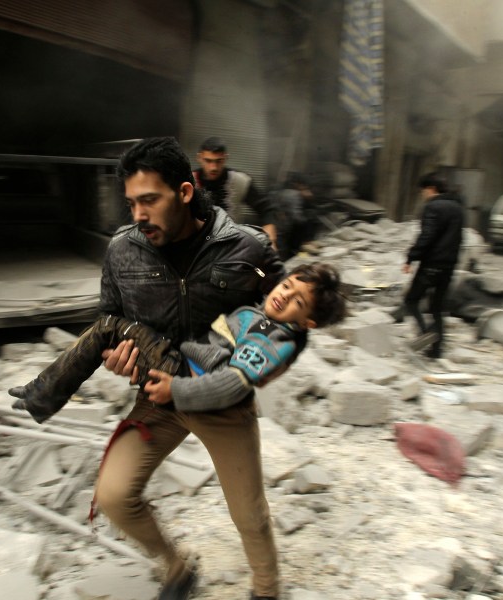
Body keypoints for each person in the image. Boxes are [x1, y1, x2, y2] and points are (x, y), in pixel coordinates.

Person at [82, 136, 284, 600]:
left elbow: (285, 313)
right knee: (113, 496)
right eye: (132, 203)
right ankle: (178, 569)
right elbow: (109, 321)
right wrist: (116, 355)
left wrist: (263, 359)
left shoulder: (247, 248)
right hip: (157, 396)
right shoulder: (122, 250)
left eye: (149, 200)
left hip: (218, 397)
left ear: (186, 192)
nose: (138, 214)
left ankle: (268, 590)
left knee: (249, 514)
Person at [8, 262, 347, 423]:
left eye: (298, 302)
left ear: (307, 323)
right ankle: (41, 391)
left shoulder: (275, 340)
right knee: (108, 332)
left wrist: (178, 391)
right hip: (178, 358)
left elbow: (233, 383)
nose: (284, 296)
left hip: (181, 373)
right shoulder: (258, 313)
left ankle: (42, 397)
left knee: (107, 327)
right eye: (288, 286)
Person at [401, 172, 464, 359]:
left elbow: (427, 236)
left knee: (411, 301)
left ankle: (427, 335)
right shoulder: (458, 207)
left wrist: (411, 257)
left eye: (423, 191)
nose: (422, 195)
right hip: (449, 264)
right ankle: (437, 350)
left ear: (431, 189)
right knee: (437, 307)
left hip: (432, 263)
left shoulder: (433, 207)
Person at [194, 136, 279, 248]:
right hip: (196, 248)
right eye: (208, 161)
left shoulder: (240, 180)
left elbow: (266, 209)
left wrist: (270, 238)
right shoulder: (189, 181)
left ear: (225, 158)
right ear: (199, 158)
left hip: (230, 248)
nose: (213, 167)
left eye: (219, 161)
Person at [267, 172, 318, 260]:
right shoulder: (294, 194)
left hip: (270, 227)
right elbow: (297, 217)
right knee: (282, 256)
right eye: (305, 186)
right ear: (298, 184)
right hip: (281, 231)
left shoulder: (278, 191)